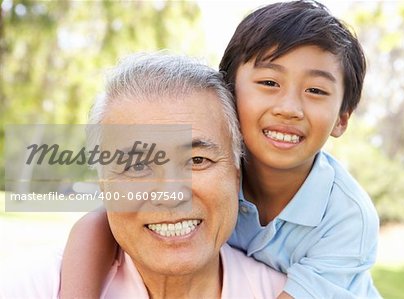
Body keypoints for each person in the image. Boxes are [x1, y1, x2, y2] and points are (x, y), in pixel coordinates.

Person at [61, 1, 381, 298]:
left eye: (316, 90)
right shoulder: (211, 172)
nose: (289, 108)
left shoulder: (349, 217)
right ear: (228, 94)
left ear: (341, 120)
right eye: (269, 83)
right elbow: (104, 223)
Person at [0, 53, 286, 299]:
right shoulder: (33, 288)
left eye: (197, 160)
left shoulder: (284, 291)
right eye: (136, 167)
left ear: (237, 174)